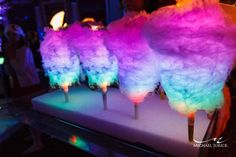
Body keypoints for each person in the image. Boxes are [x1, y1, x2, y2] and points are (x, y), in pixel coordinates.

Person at [4, 24, 44, 155]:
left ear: (20, 35)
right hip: (20, 86)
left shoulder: (23, 49)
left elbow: (20, 69)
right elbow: (9, 71)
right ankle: (35, 135)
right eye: (9, 34)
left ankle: (38, 142)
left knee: (29, 114)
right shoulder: (13, 50)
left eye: (14, 34)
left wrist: (10, 56)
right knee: (27, 114)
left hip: (29, 86)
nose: (11, 37)